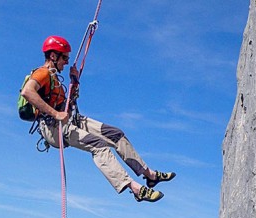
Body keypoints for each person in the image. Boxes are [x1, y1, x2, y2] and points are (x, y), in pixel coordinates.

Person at [20, 35, 176, 202]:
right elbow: (27, 92)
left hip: (69, 120)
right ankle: (135, 188)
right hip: (54, 127)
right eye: (64, 57)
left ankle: (149, 174)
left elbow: (67, 104)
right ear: (53, 56)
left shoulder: (55, 79)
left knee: (116, 134)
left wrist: (75, 81)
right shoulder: (42, 73)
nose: (66, 62)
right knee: (99, 145)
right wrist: (56, 114)